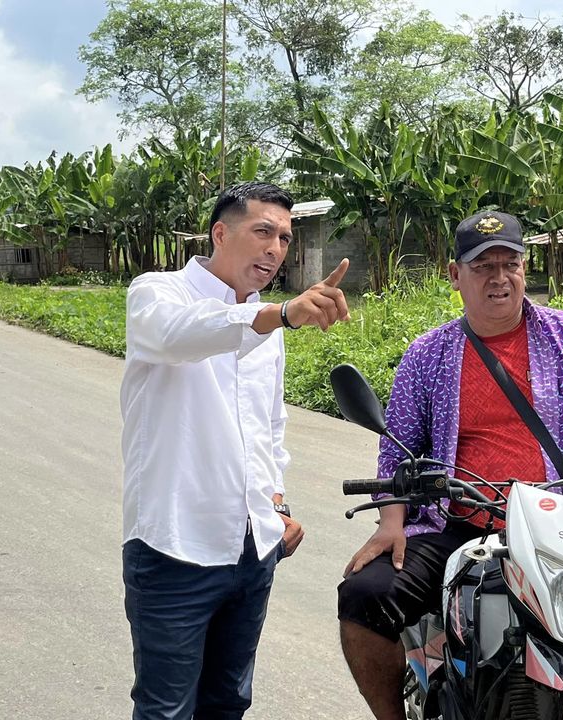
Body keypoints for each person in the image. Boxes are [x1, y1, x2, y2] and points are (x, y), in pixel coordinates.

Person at [337, 210, 563, 720]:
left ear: (525, 269)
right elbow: (398, 448)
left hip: (561, 526)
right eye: (483, 266)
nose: (499, 278)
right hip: (458, 525)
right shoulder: (427, 355)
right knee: (364, 596)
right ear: (455, 275)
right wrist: (391, 522)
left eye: (510, 264)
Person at [120, 181, 350, 720]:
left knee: (228, 703)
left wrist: (277, 502)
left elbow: (269, 426)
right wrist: (278, 315)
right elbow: (181, 334)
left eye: (285, 238)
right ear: (221, 234)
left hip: (253, 549)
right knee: (165, 709)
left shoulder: (269, 322)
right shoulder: (158, 293)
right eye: (263, 231)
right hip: (174, 545)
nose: (275, 248)